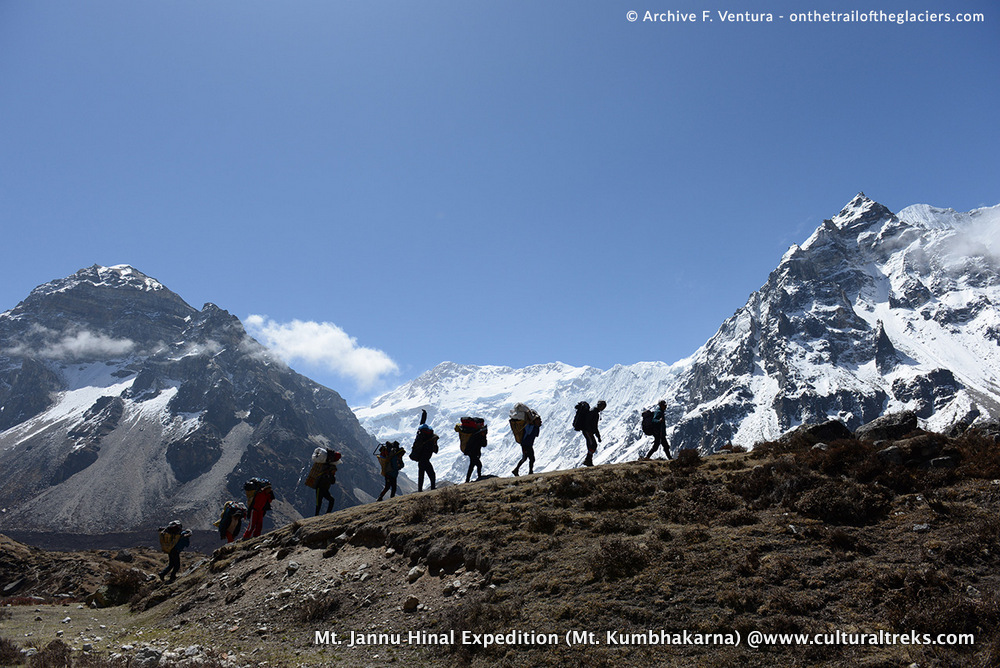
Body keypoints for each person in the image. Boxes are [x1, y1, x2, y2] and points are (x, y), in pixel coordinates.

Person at [410, 409, 439, 492]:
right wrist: (435, 442)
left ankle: (419, 490)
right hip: (426, 460)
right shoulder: (431, 439)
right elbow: (436, 451)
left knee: (421, 475)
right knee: (432, 474)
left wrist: (424, 415)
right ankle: (433, 487)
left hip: (420, 460)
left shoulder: (419, 436)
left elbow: (422, 423)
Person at [510, 403, 542, 476]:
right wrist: (532, 424)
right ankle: (526, 471)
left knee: (527, 458)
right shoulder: (530, 427)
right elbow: (528, 432)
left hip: (528, 444)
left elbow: (536, 434)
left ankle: (519, 470)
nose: (540, 422)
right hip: (526, 444)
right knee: (528, 458)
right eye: (539, 420)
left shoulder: (535, 427)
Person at [455, 417, 487, 483]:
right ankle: (479, 478)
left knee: (472, 465)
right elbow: (484, 444)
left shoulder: (474, 432)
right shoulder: (477, 434)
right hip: (473, 452)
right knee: (478, 465)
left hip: (470, 451)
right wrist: (484, 436)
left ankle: (468, 480)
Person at [581, 400, 606, 467]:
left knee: (592, 445)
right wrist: (598, 436)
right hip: (588, 431)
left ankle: (588, 461)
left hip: (587, 431)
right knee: (593, 445)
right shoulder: (594, 413)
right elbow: (594, 425)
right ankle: (588, 460)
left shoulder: (593, 411)